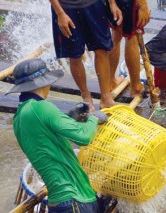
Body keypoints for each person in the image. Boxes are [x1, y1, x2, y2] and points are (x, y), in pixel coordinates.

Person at [9, 58, 108, 212]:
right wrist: (94, 119)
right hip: (74, 198)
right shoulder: (42, 107)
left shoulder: (19, 116)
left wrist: (69, 118)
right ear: (43, 82)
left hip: (59, 201)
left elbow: (46, 142)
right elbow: (83, 137)